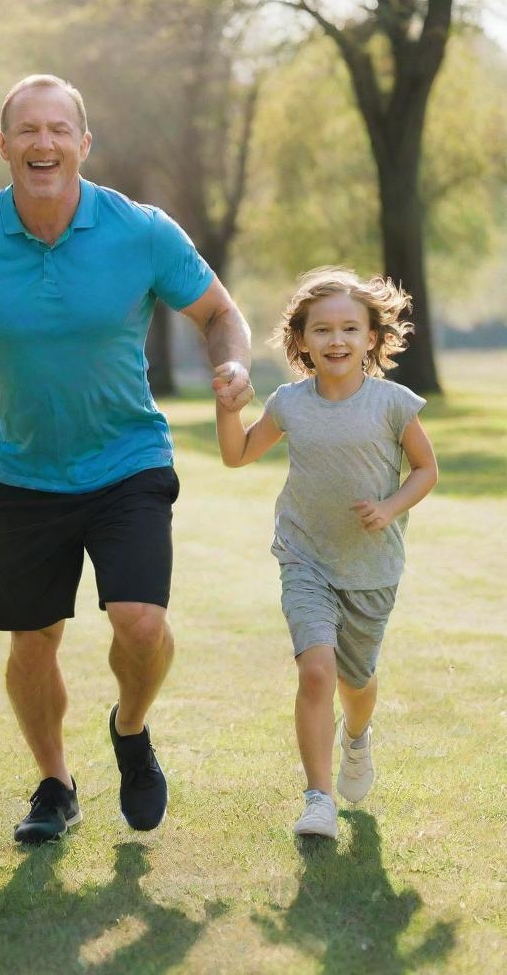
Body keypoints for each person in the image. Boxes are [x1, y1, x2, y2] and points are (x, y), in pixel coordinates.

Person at [0, 74, 253, 844]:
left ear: (83, 143)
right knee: (33, 640)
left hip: (128, 459)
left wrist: (233, 365)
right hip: (26, 472)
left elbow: (220, 314)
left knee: (140, 622)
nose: (42, 143)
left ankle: (131, 728)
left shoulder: (142, 230)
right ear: (5, 145)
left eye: (58, 130)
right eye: (27, 130)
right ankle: (55, 784)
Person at [215, 267, 437, 839]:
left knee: (355, 683)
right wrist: (226, 406)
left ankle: (357, 738)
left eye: (349, 329)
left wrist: (390, 507)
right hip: (305, 556)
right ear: (302, 341)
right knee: (316, 672)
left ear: (371, 338)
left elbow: (426, 469)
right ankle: (318, 799)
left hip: (371, 567)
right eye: (322, 330)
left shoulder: (393, 404)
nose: (336, 340)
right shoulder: (290, 404)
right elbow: (237, 454)